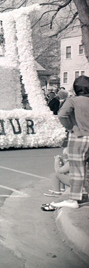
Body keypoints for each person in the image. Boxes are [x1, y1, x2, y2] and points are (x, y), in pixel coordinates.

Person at [51, 75, 89, 209]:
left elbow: (62, 115)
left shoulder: (72, 101)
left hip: (78, 137)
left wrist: (71, 128)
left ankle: (74, 199)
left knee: (77, 170)